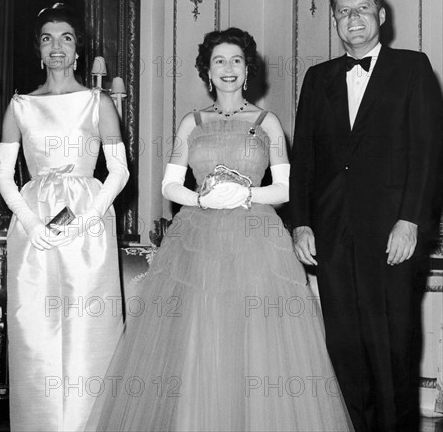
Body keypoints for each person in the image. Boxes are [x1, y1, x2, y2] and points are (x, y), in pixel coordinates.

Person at [86, 27, 353, 432]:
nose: (228, 69)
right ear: (207, 72)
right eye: (219, 61)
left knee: (258, 342)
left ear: (248, 70)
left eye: (236, 61)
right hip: (197, 240)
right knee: (199, 336)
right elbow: (169, 184)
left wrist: (245, 194)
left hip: (257, 243)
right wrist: (201, 199)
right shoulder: (190, 123)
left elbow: (284, 188)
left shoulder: (268, 122)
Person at [290, 0, 443, 430]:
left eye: (361, 9)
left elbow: (428, 153)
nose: (352, 18)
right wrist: (301, 224)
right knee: (344, 350)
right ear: (334, 19)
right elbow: (305, 161)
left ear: (380, 15)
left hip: (392, 234)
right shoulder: (318, 79)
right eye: (342, 11)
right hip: (332, 236)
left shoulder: (413, 68)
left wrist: (411, 221)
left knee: (392, 348)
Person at [0, 3, 129, 432]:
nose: (57, 46)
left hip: (88, 228)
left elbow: (119, 171)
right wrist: (33, 224)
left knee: (89, 331)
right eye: (48, 38)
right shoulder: (20, 105)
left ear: (77, 50)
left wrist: (86, 217)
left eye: (66, 38)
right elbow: (1, 174)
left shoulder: (97, 102)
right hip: (34, 228)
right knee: (35, 330)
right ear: (39, 49)